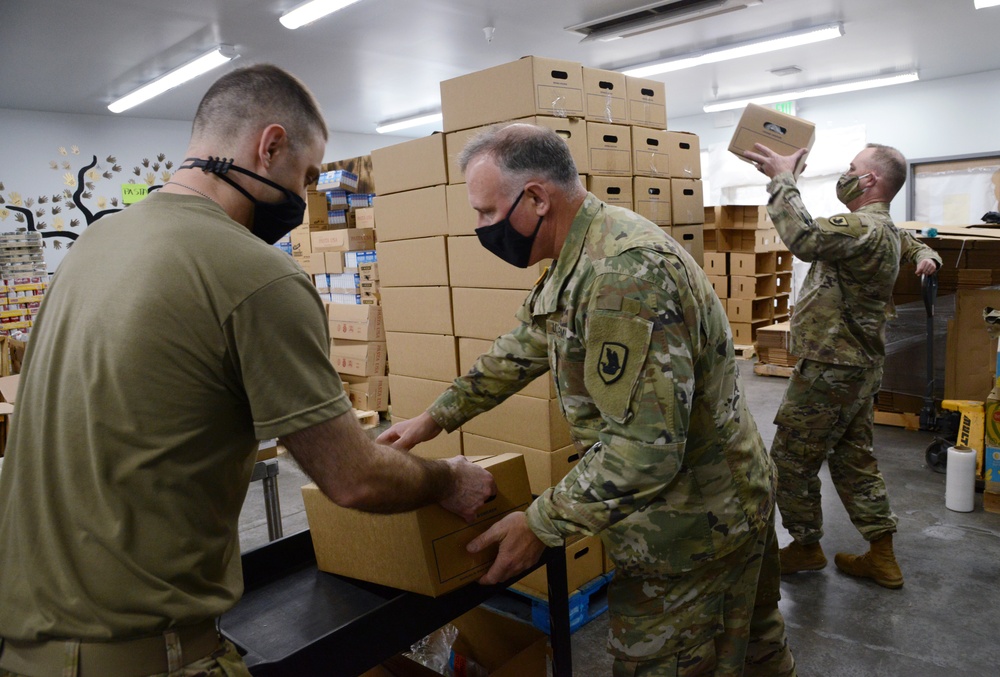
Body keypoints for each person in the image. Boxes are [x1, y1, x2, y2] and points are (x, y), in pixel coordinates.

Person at [0, 64, 495, 677]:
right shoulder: (256, 275)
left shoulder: (91, 248)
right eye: (308, 175)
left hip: (27, 646)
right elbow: (354, 479)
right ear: (271, 145)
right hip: (144, 655)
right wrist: (448, 479)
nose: (307, 195)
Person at [379, 123, 796, 676]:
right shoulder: (584, 254)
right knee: (757, 651)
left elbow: (645, 451)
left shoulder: (625, 275)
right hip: (720, 500)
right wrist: (434, 419)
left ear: (535, 198)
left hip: (695, 526)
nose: (480, 228)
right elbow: (523, 347)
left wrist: (540, 523)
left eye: (485, 212)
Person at [743, 142, 941, 590]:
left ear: (869, 181)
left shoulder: (859, 227)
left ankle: (807, 546)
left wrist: (780, 178)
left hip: (832, 366)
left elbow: (805, 238)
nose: (846, 173)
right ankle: (882, 555)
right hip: (862, 364)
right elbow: (913, 242)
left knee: (790, 462)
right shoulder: (887, 230)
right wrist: (928, 256)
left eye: (853, 168)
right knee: (854, 460)